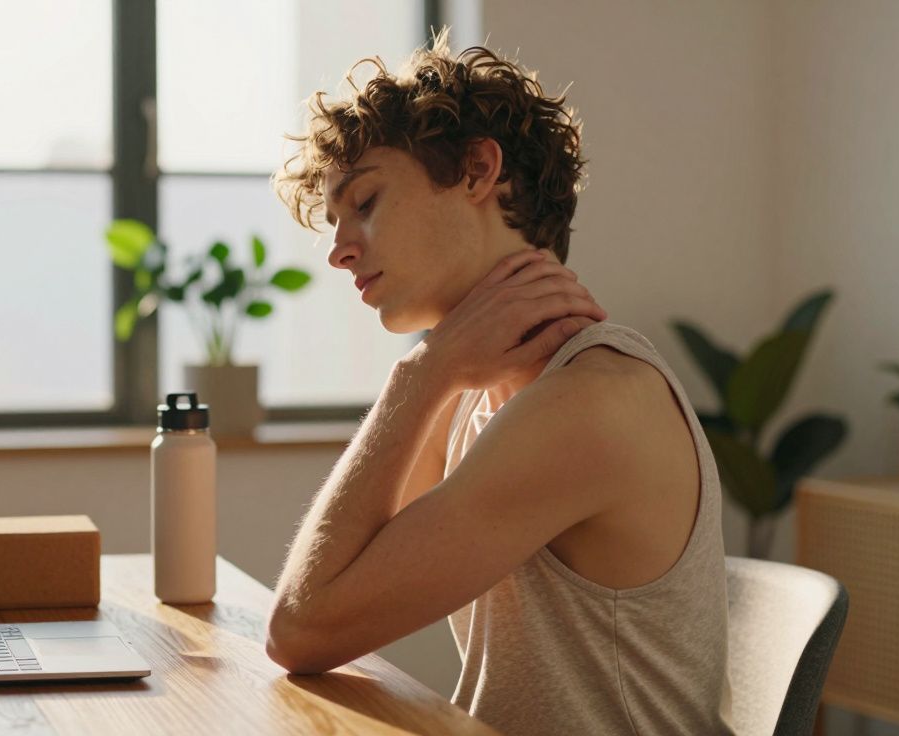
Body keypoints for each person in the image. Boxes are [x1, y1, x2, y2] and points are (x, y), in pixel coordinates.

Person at [265, 30, 735, 735]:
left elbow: (303, 630)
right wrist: (440, 371)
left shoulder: (592, 402)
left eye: (364, 202)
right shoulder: (481, 394)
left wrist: (421, 371)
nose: (338, 251)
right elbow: (331, 588)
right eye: (334, 223)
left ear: (478, 171)